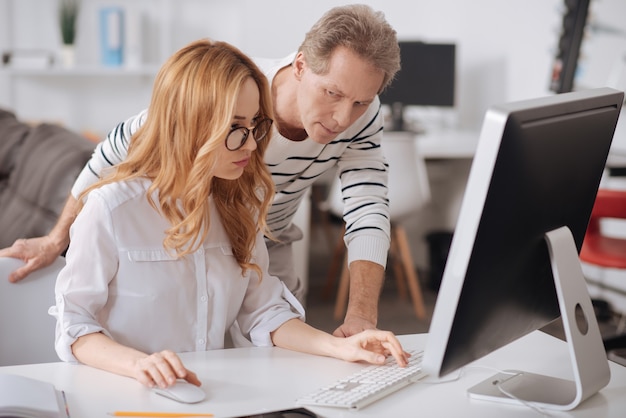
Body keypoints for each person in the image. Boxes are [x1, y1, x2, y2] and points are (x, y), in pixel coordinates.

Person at [2, 4, 401, 338]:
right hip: (206, 227)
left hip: (269, 235)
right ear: (300, 66)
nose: (343, 118)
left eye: (361, 102)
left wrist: (362, 318)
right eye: (332, 93)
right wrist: (56, 239)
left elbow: (367, 209)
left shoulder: (362, 117)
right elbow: (110, 152)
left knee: (280, 339)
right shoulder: (238, 91)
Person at [49, 39, 408, 389]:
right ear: (191, 124)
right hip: (123, 396)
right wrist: (138, 364)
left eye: (254, 126)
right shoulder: (110, 210)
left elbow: (264, 311)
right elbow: (75, 326)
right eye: (236, 128)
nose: (252, 144)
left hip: (207, 396)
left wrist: (339, 347)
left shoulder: (240, 207)